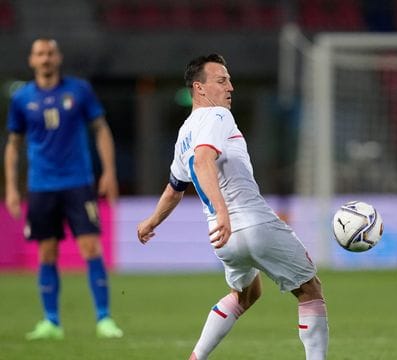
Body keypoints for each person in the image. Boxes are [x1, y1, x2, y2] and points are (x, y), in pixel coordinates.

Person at [136, 54, 328, 360]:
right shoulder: (218, 117)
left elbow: (175, 189)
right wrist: (223, 211)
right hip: (250, 224)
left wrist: (151, 222)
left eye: (229, 80)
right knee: (310, 289)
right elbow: (203, 160)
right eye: (222, 80)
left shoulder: (184, 133)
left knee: (247, 293)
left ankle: (196, 357)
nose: (231, 87)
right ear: (199, 88)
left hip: (222, 239)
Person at [4, 38, 123, 340]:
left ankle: (104, 319)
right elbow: (13, 146)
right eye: (40, 54)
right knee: (47, 252)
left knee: (91, 248)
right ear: (32, 60)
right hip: (42, 186)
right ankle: (51, 321)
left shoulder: (79, 90)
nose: (45, 59)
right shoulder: (22, 99)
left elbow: (101, 129)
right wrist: (11, 187)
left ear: (58, 57)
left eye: (50, 53)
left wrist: (108, 172)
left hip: (78, 182)